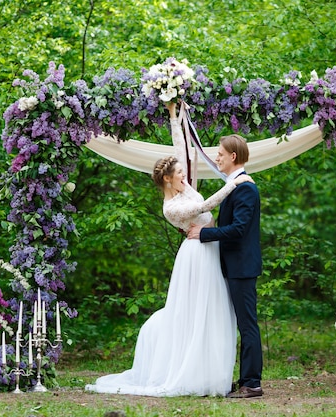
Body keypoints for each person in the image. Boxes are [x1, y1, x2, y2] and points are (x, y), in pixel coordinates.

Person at [85, 103, 253, 397]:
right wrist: (234, 182)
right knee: (197, 312)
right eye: (179, 172)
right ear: (168, 179)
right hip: (197, 254)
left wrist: (174, 115)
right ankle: (189, 370)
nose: (184, 174)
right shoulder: (173, 207)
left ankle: (211, 372)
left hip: (210, 249)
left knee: (212, 312)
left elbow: (180, 147)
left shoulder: (183, 187)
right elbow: (204, 207)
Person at [187, 134, 263, 399]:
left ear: (233, 156)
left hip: (242, 267)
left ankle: (252, 382)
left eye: (220, 153)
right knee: (231, 323)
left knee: (247, 324)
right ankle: (240, 379)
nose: (216, 157)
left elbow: (240, 229)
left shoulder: (245, 188)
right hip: (231, 266)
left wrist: (204, 234)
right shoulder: (233, 185)